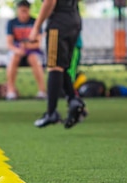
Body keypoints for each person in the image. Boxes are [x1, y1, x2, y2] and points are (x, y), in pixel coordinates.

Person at [29, 0, 86, 129]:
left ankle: (51, 113)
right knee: (62, 65)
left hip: (58, 22)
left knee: (54, 66)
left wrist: (36, 28)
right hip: (74, 20)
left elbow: (50, 1)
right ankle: (74, 101)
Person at [5, 0, 46, 100]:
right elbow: (9, 44)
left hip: (32, 50)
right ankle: (11, 91)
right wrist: (18, 49)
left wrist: (27, 46)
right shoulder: (12, 23)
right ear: (17, 11)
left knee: (34, 59)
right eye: (21, 11)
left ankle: (42, 90)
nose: (24, 14)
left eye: (26, 11)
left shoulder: (35, 22)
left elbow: (38, 43)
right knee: (14, 58)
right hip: (17, 50)